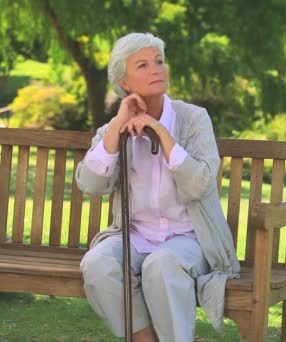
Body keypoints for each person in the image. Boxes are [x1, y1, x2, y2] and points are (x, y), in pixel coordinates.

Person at [76, 32, 240, 342]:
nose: (156, 70)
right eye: (143, 65)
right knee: (97, 264)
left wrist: (161, 133)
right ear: (125, 82)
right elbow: (91, 184)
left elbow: (200, 185)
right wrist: (116, 129)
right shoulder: (114, 129)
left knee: (161, 265)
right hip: (134, 236)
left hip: (188, 238)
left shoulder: (193, 119)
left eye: (160, 61)